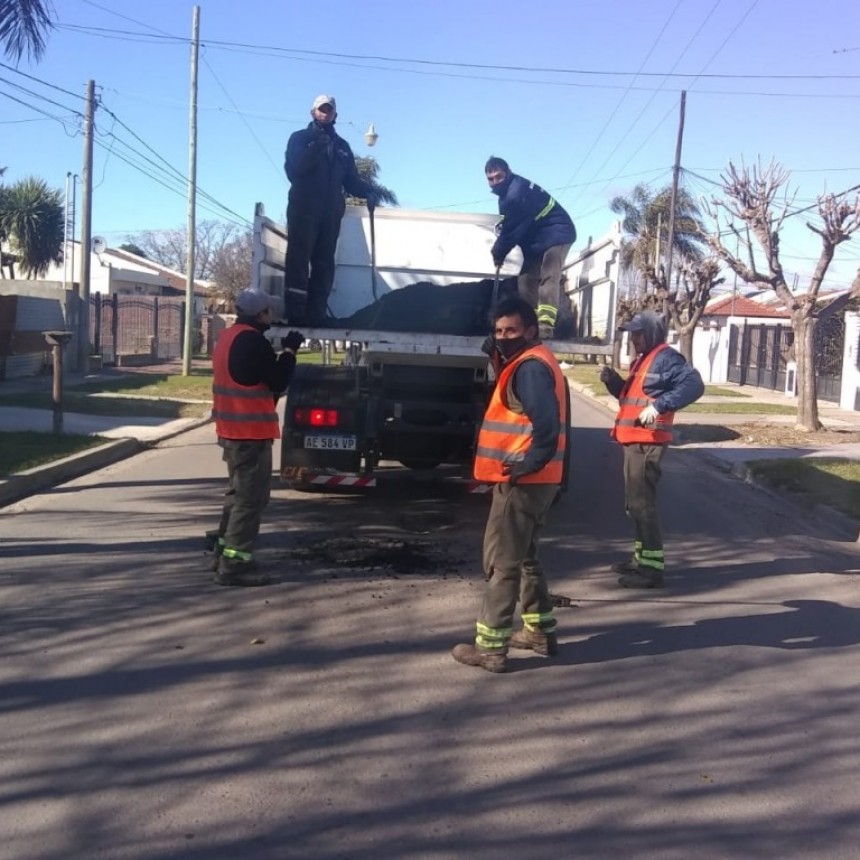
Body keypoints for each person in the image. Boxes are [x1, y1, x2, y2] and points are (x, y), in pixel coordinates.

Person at [452, 295, 568, 673]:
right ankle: (540, 632)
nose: (503, 337)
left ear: (530, 330)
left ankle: (490, 648)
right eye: (498, 331)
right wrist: (498, 359)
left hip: (523, 480)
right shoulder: (531, 360)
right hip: (541, 480)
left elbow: (545, 425)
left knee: (501, 562)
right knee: (526, 556)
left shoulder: (530, 369)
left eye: (511, 331)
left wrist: (526, 464)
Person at [599, 311, 704, 589]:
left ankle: (651, 570)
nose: (633, 338)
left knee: (642, 506)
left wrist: (659, 406)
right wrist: (614, 383)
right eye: (632, 333)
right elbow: (632, 398)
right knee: (634, 506)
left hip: (647, 442)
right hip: (634, 440)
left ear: (652, 333)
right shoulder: (644, 360)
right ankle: (641, 559)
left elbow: (694, 385)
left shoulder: (665, 357)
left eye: (638, 332)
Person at [208, 289, 304, 587]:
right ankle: (234, 567)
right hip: (250, 435)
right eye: (269, 313)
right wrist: (289, 352)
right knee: (251, 500)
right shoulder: (253, 342)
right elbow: (277, 380)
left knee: (237, 496)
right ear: (262, 314)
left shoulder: (228, 337)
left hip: (231, 431)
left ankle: (222, 553)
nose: (271, 317)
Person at [284, 94, 379, 326]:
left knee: (324, 262)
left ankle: (316, 313)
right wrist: (316, 146)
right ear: (313, 112)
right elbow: (294, 170)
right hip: (303, 209)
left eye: (329, 110)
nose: (325, 113)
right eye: (321, 109)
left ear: (335, 114)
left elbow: (351, 181)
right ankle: (296, 313)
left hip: (330, 213)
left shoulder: (342, 147)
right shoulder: (300, 138)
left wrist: (368, 191)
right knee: (298, 260)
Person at [485, 156, 576, 341]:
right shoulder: (506, 195)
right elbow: (512, 226)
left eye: (499, 177)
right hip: (537, 239)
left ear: (508, 173)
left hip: (558, 232)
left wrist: (498, 252)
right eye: (491, 178)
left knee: (548, 276)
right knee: (525, 280)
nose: (495, 182)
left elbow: (512, 229)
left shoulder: (516, 192)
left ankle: (545, 328)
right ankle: (528, 323)